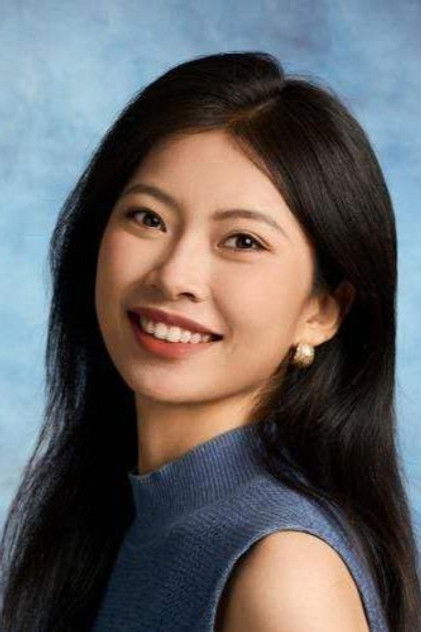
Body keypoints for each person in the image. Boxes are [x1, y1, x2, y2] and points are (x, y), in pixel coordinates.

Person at [0, 51, 420, 632]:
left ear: (322, 312)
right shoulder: (114, 518)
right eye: (148, 218)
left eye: (243, 241)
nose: (174, 275)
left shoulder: (284, 571)